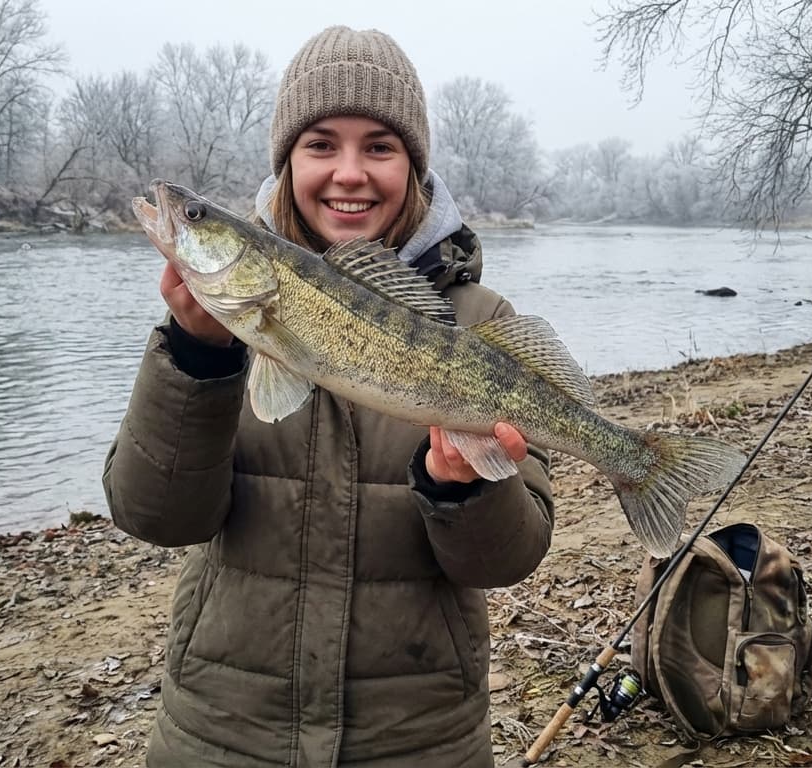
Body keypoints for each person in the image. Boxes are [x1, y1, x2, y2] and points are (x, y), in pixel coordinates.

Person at [103, 25, 554, 768]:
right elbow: (156, 516)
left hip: (418, 741)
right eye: (320, 145)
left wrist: (462, 490)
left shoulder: (480, 325)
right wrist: (196, 357)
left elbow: (507, 560)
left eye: (380, 146)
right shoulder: (220, 320)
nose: (349, 172)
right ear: (286, 164)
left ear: (414, 165)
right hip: (222, 735)